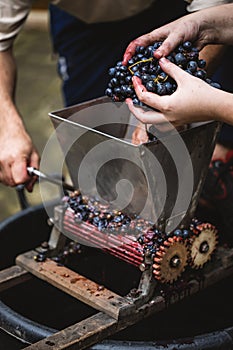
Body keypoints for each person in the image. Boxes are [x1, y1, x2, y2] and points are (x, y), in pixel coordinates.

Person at [0, 0, 230, 191]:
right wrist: (8, 128)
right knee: (91, 149)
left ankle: (214, 181)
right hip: (82, 20)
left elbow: (214, 15)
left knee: (205, 138)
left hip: (173, 7)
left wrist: (185, 103)